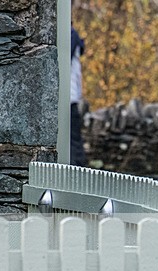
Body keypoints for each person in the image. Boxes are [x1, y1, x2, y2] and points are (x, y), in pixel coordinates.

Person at [70, 25, 87, 166]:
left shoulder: (70, 35)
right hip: (70, 97)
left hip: (69, 98)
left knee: (74, 141)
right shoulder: (72, 35)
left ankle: (78, 176)